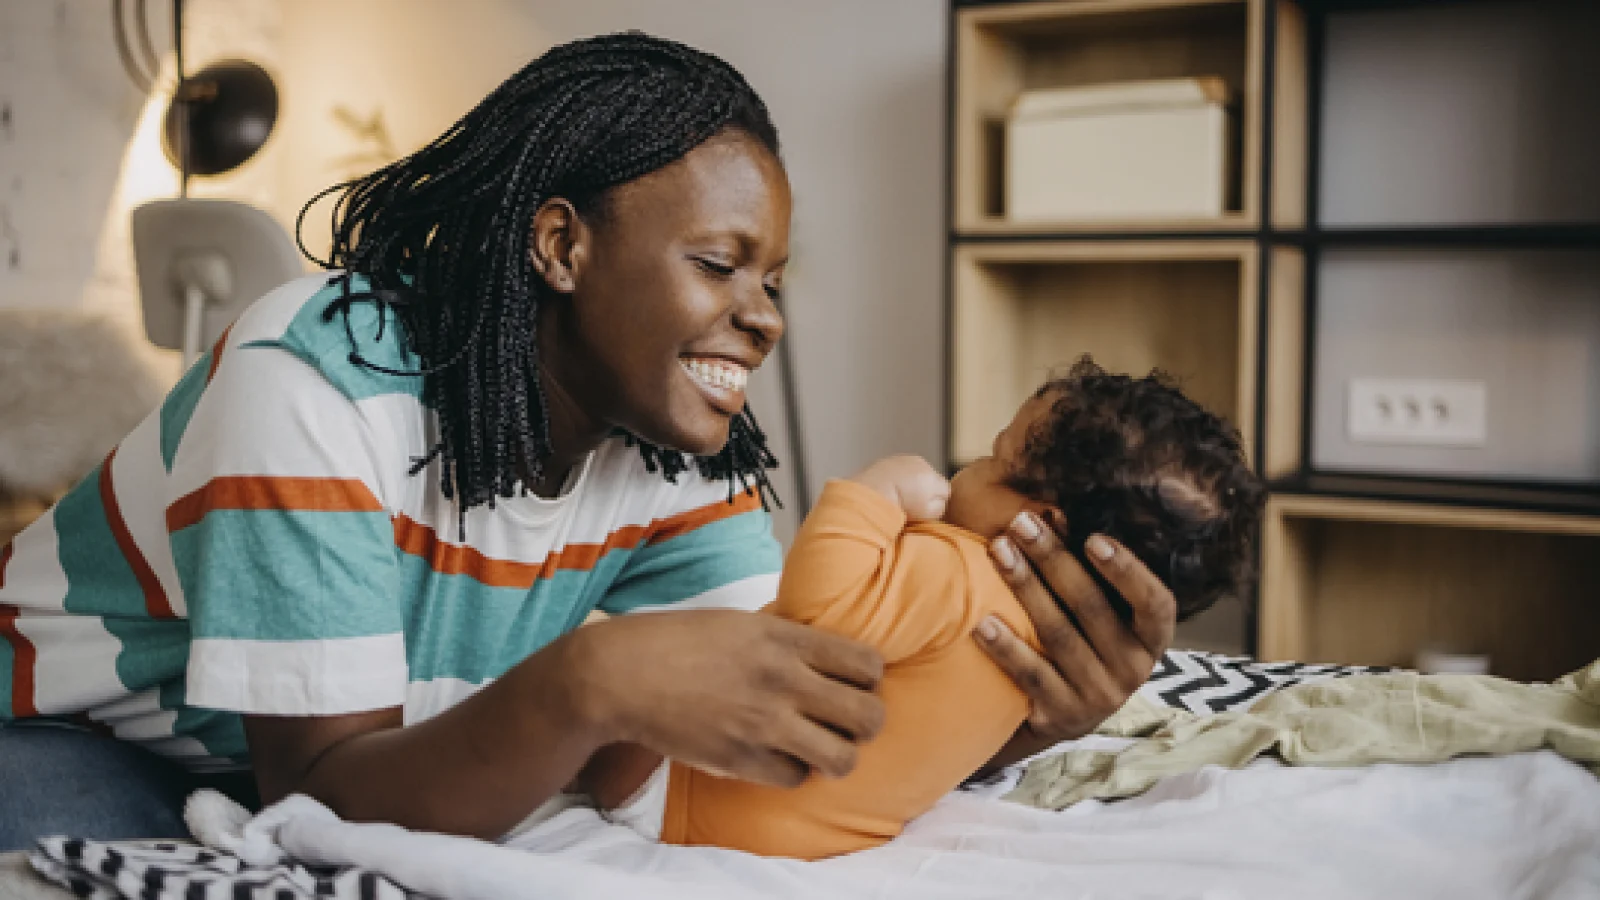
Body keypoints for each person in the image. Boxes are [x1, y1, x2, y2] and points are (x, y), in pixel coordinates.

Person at [0, 33, 1182, 851]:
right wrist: (589, 685)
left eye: (773, 278)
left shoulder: (679, 449)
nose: (764, 315)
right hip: (75, 730)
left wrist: (1020, 713)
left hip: (314, 759)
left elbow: (802, 719)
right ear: (560, 247)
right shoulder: (315, 384)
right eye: (720, 266)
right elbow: (316, 797)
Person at [587, 358, 1265, 858]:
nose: (965, 469)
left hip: (684, 792)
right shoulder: (1034, 653)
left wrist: (871, 495)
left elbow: (819, 618)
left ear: (1040, 524)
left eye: (993, 461)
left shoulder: (962, 572)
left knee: (606, 671)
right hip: (796, 831)